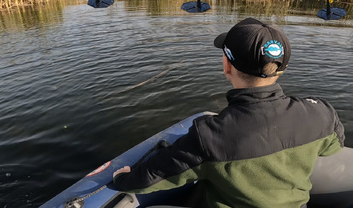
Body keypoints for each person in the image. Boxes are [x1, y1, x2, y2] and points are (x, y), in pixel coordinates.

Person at [112, 17, 345, 207]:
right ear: (282, 69)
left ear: (227, 65)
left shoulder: (208, 136)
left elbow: (149, 179)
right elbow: (335, 145)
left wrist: (123, 178)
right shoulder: (322, 114)